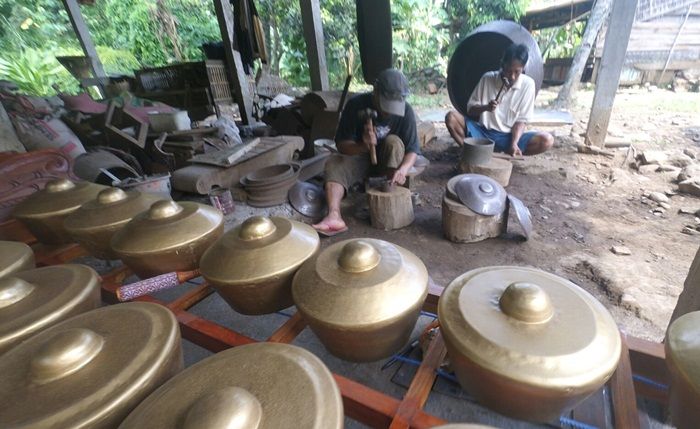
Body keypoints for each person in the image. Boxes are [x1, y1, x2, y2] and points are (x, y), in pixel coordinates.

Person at [312, 68, 420, 236]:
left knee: (394, 142)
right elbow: (342, 145)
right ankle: (334, 215)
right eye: (385, 105)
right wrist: (364, 145)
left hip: (389, 162)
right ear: (375, 92)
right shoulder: (356, 105)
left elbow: (412, 149)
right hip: (359, 159)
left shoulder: (406, 111)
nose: (388, 111)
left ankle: (390, 192)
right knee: (333, 162)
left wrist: (403, 169)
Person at [445, 43, 553, 156]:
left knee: (546, 140)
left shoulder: (528, 85)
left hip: (508, 137)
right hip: (482, 133)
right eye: (508, 71)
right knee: (451, 118)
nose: (512, 77)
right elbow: (470, 110)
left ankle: (508, 152)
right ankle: (472, 154)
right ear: (502, 65)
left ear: (524, 68)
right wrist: (486, 107)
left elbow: (521, 121)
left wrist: (514, 143)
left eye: (517, 72)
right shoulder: (487, 78)